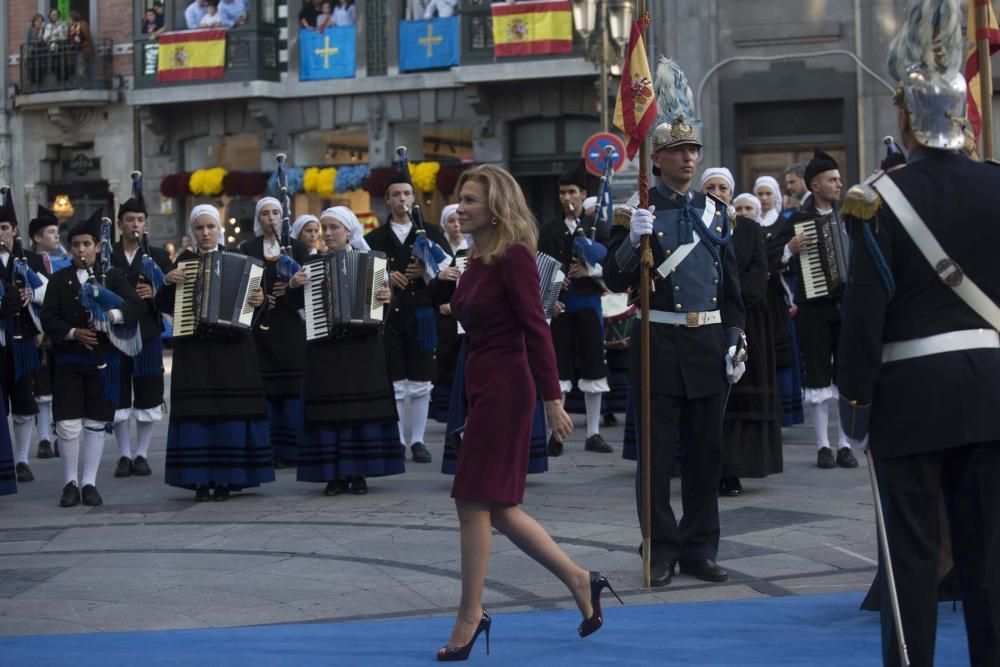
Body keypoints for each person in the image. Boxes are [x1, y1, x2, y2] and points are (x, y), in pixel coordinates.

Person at [839, 2, 1000, 664]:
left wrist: (855, 404)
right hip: (991, 388)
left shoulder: (876, 198)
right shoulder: (996, 185)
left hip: (910, 395)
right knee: (987, 556)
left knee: (910, 557)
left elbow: (864, 314)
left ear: (905, 116)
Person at [440, 163, 618, 661]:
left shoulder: (514, 257)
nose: (461, 208)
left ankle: (471, 614)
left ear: (496, 207)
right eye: (461, 199)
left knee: (473, 501)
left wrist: (553, 397)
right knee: (497, 508)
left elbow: (536, 328)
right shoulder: (475, 261)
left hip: (507, 390)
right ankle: (582, 580)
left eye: (471, 200)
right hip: (481, 387)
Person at [605, 58, 745, 588]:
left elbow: (731, 293)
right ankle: (659, 547)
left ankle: (699, 547)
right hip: (657, 342)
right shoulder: (636, 211)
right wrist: (628, 241)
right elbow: (615, 282)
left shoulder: (717, 214)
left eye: (694, 152)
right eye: (678, 152)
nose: (689, 159)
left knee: (707, 455)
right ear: (656, 159)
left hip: (707, 341)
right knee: (657, 459)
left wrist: (736, 337)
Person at [158, 205, 272, 501]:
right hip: (195, 350)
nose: (206, 233)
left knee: (229, 412)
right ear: (192, 232)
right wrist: (167, 284)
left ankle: (227, 479)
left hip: (232, 350)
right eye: (199, 228)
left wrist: (260, 299)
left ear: (219, 228)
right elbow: (164, 304)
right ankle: (199, 479)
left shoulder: (240, 259)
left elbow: (256, 305)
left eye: (210, 227)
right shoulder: (183, 261)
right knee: (199, 413)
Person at [296, 207, 404, 496]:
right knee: (330, 411)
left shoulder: (374, 262)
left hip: (363, 347)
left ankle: (359, 473)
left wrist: (387, 297)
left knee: (360, 411)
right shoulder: (311, 265)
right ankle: (333, 474)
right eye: (324, 228)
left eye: (334, 228)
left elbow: (384, 309)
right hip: (326, 347)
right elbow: (300, 309)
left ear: (348, 232)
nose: (328, 234)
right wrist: (295, 287)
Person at [41, 211, 145, 508]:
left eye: (87, 244)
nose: (81, 249)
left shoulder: (111, 277)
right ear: (70, 247)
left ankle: (89, 483)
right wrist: (74, 333)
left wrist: (109, 316)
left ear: (97, 247)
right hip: (70, 362)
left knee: (97, 422)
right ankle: (70, 483)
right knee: (69, 425)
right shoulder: (59, 280)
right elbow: (49, 319)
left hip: (103, 361)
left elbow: (135, 306)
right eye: (75, 244)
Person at [773, 150, 858, 470]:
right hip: (813, 306)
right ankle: (823, 444)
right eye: (833, 180)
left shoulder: (850, 217)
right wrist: (788, 249)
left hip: (845, 305)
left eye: (839, 179)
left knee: (846, 375)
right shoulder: (797, 221)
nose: (839, 185)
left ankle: (845, 443)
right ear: (816, 185)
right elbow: (772, 257)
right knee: (818, 373)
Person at [364, 170, 451, 464]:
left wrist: (426, 271)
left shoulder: (430, 233)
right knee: (397, 379)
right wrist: (388, 277)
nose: (402, 199)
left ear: (413, 198)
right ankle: (399, 440)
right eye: (396, 195)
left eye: (406, 194)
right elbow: (365, 274)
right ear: (387, 200)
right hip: (391, 317)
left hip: (422, 314)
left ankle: (418, 440)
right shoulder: (373, 238)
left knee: (421, 378)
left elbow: (448, 273)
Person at [538, 163, 611, 456]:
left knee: (594, 365)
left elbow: (613, 268)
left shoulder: (599, 228)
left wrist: (590, 269)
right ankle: (556, 434)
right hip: (560, 306)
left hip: (589, 304)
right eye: (562, 192)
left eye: (572, 192)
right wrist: (548, 296)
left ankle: (593, 433)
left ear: (583, 194)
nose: (567, 197)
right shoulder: (549, 229)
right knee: (559, 367)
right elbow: (540, 267)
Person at [109, 178, 175, 479]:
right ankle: (123, 454)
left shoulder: (159, 257)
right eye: (129, 220)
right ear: (120, 224)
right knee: (119, 393)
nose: (135, 225)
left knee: (148, 392)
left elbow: (171, 297)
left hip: (147, 331)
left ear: (146, 225)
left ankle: (142, 454)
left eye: (139, 220)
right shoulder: (108, 255)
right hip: (116, 334)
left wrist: (155, 293)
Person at [240, 197, 310, 468]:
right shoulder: (249, 247)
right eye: (265, 214)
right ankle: (266, 449)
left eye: (276, 213)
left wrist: (291, 285)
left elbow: (309, 282)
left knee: (291, 387)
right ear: (259, 219)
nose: (270, 218)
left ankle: (292, 450)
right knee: (265, 389)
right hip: (261, 326)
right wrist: (263, 295)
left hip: (291, 325)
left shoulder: (298, 247)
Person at [721, 192, 782, 496]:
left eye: (722, 188)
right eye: (711, 188)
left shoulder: (750, 231)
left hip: (747, 321)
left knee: (742, 398)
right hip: (709, 323)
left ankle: (738, 466)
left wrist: (729, 299)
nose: (716, 194)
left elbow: (759, 274)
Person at [0, 197, 50, 484]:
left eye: (4, 227)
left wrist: (33, 294)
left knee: (23, 401)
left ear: (14, 230)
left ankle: (21, 459)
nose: (0, 233)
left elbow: (50, 292)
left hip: (22, 342)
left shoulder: (29, 260)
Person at [29, 206, 70, 460]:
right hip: (37, 332)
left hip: (59, 332)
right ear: (37, 237)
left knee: (58, 386)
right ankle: (43, 437)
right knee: (41, 388)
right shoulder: (28, 262)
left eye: (57, 231)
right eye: (51, 232)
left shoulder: (64, 263)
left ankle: (57, 436)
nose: (57, 236)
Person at [430, 204, 465, 423]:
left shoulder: (470, 248)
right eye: (451, 221)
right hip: (443, 320)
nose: (456, 225)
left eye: (458, 220)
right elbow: (430, 287)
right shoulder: (438, 250)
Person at [25, 14, 46, 86]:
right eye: (38, 20)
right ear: (34, 22)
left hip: (41, 53)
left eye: (41, 20)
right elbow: (28, 41)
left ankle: (40, 83)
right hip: (32, 52)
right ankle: (32, 84)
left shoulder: (44, 30)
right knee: (32, 70)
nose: (39, 22)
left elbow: (42, 41)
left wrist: (41, 31)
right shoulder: (31, 29)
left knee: (40, 69)